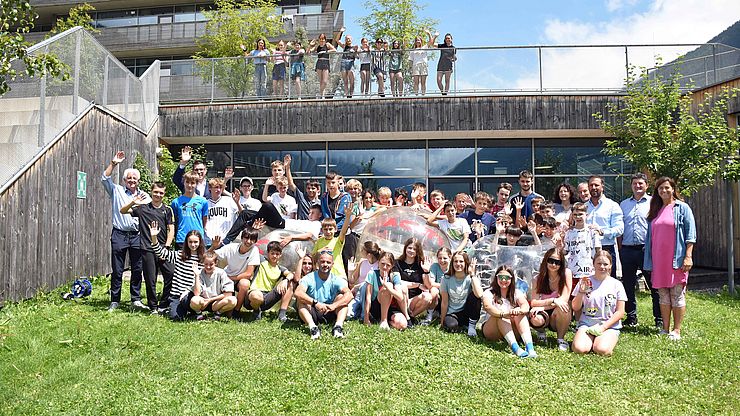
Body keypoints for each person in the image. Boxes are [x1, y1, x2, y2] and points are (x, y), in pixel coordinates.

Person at [644, 177, 696, 341]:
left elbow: (691, 235)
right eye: (660, 189)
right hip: (659, 261)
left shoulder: (683, 208)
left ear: (673, 189)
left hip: (676, 259)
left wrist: (688, 256)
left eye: (667, 188)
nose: (664, 191)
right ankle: (665, 329)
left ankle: (677, 330)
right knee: (663, 295)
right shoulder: (655, 209)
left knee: (677, 294)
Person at [102, 151, 150, 311]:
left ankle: (135, 299)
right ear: (124, 180)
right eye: (129, 178)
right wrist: (114, 163)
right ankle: (114, 300)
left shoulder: (145, 196)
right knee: (117, 269)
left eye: (134, 178)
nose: (132, 181)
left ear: (139, 181)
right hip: (119, 234)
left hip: (137, 235)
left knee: (137, 268)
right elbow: (104, 178)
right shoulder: (117, 191)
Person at [120, 181, 175, 313]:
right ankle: (153, 307)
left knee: (172, 274)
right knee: (151, 280)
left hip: (163, 249)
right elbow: (123, 211)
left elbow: (171, 230)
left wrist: (166, 247)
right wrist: (134, 202)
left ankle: (163, 304)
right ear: (152, 192)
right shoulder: (143, 208)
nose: (158, 195)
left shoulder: (167, 210)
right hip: (147, 249)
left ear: (164, 194)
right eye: (156, 192)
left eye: (161, 193)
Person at [619, 172, 659, 328]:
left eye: (640, 183)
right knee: (628, 285)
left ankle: (659, 318)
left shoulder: (654, 203)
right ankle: (631, 316)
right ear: (631, 186)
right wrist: (621, 247)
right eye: (635, 183)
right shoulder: (623, 204)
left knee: (653, 285)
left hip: (646, 250)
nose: (637, 186)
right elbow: (621, 228)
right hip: (627, 250)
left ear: (646, 185)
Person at [571, 251, 626, 356]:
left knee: (602, 350)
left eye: (605, 264)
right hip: (587, 324)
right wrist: (581, 292)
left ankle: (602, 340)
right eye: (599, 263)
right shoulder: (585, 281)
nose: (602, 266)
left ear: (610, 266)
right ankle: (588, 339)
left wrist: (603, 328)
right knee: (580, 349)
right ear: (593, 264)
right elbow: (575, 307)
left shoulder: (617, 284)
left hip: (608, 326)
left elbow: (620, 311)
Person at [149, 223, 206, 321]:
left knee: (195, 302)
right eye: (190, 242)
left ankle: (195, 310)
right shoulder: (179, 255)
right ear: (186, 243)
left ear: (200, 242)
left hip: (191, 294)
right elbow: (161, 252)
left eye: (196, 242)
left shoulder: (203, 259)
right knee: (176, 318)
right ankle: (180, 309)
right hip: (176, 295)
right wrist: (154, 237)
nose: (193, 244)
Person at [294, 251, 353, 339]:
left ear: (332, 264)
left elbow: (350, 295)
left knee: (342, 298)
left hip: (329, 311)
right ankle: (313, 328)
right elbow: (298, 292)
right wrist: (315, 303)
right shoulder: (309, 278)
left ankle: (338, 327)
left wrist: (334, 305)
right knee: (300, 300)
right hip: (312, 311)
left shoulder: (336, 279)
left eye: (328, 262)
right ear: (317, 263)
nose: (325, 264)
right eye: (322, 262)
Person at [481, 265, 537, 358]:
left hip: (511, 329)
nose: (503, 280)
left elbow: (525, 305)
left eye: (507, 277)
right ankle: (516, 348)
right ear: (496, 278)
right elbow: (487, 307)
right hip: (492, 330)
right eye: (500, 277)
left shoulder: (516, 292)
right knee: (500, 316)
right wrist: (503, 314)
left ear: (511, 279)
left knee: (520, 314)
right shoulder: (489, 292)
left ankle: (530, 348)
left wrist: (519, 310)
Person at [209, 228, 261, 316]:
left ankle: (236, 311)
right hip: (227, 278)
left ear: (255, 241)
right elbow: (209, 256)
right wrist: (213, 247)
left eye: (252, 239)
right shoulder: (231, 247)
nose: (248, 241)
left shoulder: (254, 250)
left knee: (245, 284)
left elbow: (248, 274)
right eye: (246, 238)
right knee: (227, 310)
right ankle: (215, 309)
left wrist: (230, 278)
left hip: (238, 279)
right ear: (241, 238)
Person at [529, 248, 573, 351]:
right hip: (545, 311)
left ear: (562, 263)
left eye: (557, 262)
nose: (554, 264)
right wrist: (552, 301)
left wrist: (541, 306)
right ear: (546, 260)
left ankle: (561, 339)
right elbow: (534, 302)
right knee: (535, 318)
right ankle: (541, 331)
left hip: (557, 312)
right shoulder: (537, 278)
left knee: (563, 308)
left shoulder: (566, 273)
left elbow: (564, 299)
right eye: (551, 261)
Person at [248, 241, 295, 322]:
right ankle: (256, 311)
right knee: (257, 296)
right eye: (272, 253)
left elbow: (291, 274)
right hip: (253, 296)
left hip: (267, 298)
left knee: (290, 283)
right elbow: (251, 249)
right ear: (268, 253)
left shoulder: (280, 268)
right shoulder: (261, 260)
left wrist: (285, 280)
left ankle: (282, 314)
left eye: (277, 254)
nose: (274, 256)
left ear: (280, 255)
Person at [586, 175, 624, 276]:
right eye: (591, 185)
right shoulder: (584, 207)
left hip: (606, 248)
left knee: (608, 282)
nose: (593, 187)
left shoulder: (612, 205)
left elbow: (619, 229)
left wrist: (602, 231)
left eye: (596, 185)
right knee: (588, 283)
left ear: (602, 186)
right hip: (587, 250)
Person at [440, 252, 483, 337]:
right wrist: (442, 322)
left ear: (466, 263)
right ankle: (461, 326)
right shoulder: (446, 279)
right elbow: (444, 302)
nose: (458, 264)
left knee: (474, 296)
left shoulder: (471, 277)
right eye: (455, 261)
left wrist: (472, 275)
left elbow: (479, 295)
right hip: (453, 313)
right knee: (450, 326)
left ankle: (471, 326)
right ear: (452, 263)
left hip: (467, 311)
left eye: (461, 261)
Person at [394, 237, 434, 324]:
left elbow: (428, 286)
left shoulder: (420, 265)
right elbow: (397, 282)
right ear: (405, 248)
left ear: (418, 251)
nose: (411, 251)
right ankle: (406, 316)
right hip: (400, 299)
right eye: (409, 248)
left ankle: (411, 317)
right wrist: (418, 285)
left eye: (414, 249)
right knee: (403, 287)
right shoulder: (397, 263)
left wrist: (426, 271)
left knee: (428, 297)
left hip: (413, 301)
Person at [363, 251, 406, 330]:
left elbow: (400, 297)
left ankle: (387, 322)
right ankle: (383, 320)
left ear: (392, 266)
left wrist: (387, 286)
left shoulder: (395, 276)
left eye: (388, 265)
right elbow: (368, 298)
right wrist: (366, 318)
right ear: (378, 262)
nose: (385, 267)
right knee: (387, 287)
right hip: (376, 306)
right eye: (382, 263)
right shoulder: (372, 274)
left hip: (391, 307)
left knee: (402, 325)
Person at [188, 252, 237, 320]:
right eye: (206, 264)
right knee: (194, 300)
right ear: (203, 263)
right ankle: (199, 314)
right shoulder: (200, 273)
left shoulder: (221, 273)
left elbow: (228, 294)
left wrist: (209, 300)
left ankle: (218, 313)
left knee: (233, 300)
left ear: (216, 263)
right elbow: (197, 293)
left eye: (211, 264)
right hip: (203, 302)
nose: (208, 267)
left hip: (216, 302)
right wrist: (196, 275)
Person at [312, 204, 353, 279]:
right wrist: (319, 251)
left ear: (335, 229)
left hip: (338, 275)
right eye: (325, 229)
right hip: (324, 276)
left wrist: (347, 217)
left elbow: (343, 232)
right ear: (322, 230)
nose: (328, 232)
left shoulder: (337, 240)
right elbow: (313, 258)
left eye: (330, 229)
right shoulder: (319, 241)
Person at [563, 202, 601, 280]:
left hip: (589, 272)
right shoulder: (569, 232)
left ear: (586, 215)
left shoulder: (592, 231)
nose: (578, 217)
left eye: (580, 214)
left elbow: (598, 251)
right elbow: (565, 251)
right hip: (572, 272)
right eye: (575, 215)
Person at [172, 170, 209, 249]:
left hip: (198, 238)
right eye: (187, 182)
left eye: (192, 183)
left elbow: (204, 220)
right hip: (182, 238)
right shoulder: (176, 202)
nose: (189, 185)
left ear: (196, 184)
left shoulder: (203, 202)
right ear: (184, 183)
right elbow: (174, 220)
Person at [348, 241, 381, 320]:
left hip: (371, 294)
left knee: (364, 286)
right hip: (359, 294)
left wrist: (358, 286)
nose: (360, 252)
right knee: (348, 315)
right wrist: (350, 271)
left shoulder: (378, 265)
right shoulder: (362, 262)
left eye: (362, 250)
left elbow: (374, 283)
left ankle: (364, 314)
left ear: (368, 254)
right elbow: (352, 280)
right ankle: (360, 311)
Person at [283, 154, 320, 221]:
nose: (310, 190)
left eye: (313, 188)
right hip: (302, 227)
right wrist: (287, 167)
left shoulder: (320, 204)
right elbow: (291, 184)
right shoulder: (301, 197)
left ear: (318, 189)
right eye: (308, 188)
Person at [205, 177, 240, 242]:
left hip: (226, 240)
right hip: (209, 240)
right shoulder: (205, 203)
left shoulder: (229, 200)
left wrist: (238, 203)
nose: (218, 190)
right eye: (216, 187)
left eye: (220, 188)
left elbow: (242, 214)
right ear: (210, 188)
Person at [422, 247, 451, 324]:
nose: (442, 261)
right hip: (440, 292)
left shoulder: (453, 267)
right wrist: (445, 286)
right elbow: (431, 284)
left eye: (445, 258)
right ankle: (429, 315)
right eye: (440, 258)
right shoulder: (435, 266)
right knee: (433, 290)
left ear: (450, 257)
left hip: (451, 293)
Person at [409, 29, 436, 95]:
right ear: (415, 42)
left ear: (421, 41)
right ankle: (416, 95)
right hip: (415, 65)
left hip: (423, 65)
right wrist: (410, 68)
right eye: (417, 40)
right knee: (416, 82)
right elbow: (410, 60)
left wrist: (429, 34)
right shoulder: (413, 50)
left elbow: (430, 42)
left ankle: (423, 94)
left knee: (423, 82)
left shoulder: (424, 47)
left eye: (419, 40)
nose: (418, 41)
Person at [309, 33, 336, 98]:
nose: (322, 40)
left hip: (326, 62)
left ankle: (320, 93)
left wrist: (326, 52)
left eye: (323, 39)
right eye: (320, 39)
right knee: (321, 81)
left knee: (325, 81)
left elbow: (334, 50)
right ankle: (322, 96)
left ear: (325, 39)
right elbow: (309, 52)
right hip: (319, 62)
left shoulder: (327, 44)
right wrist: (310, 45)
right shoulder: (317, 46)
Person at [335, 31, 357, 98]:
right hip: (344, 62)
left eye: (349, 38)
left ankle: (351, 94)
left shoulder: (354, 47)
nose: (348, 40)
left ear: (351, 39)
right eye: (347, 38)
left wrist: (355, 51)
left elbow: (357, 56)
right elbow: (337, 40)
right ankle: (347, 94)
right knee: (345, 80)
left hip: (351, 62)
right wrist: (340, 32)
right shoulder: (344, 46)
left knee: (352, 80)